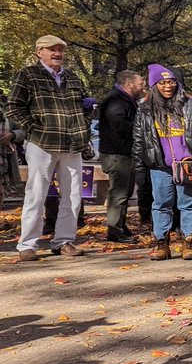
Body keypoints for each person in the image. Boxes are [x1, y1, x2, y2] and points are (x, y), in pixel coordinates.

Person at [10, 35, 91, 261]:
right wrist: (33, 129)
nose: (57, 53)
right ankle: (27, 245)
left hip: (72, 144)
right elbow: (14, 107)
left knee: (74, 195)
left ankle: (64, 241)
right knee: (36, 194)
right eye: (52, 49)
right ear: (39, 52)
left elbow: (85, 106)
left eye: (60, 50)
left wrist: (85, 122)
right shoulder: (27, 75)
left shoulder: (73, 78)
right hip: (42, 143)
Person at [131, 64, 192, 260]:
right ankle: (162, 245)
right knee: (160, 205)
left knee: (188, 205)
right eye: (163, 82)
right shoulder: (144, 109)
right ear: (154, 85)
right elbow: (138, 140)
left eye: (171, 82)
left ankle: (188, 244)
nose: (168, 86)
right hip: (159, 166)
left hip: (188, 164)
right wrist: (139, 169)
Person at [98, 69, 147, 243]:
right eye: (141, 83)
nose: (143, 86)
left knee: (125, 192)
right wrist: (141, 129)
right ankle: (114, 229)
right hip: (117, 154)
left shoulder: (126, 100)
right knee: (119, 192)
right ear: (129, 84)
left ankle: (120, 225)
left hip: (124, 153)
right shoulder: (115, 101)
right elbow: (119, 125)